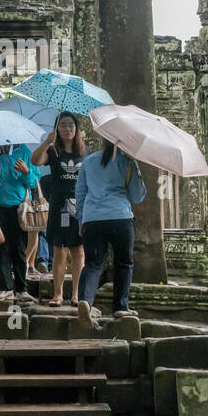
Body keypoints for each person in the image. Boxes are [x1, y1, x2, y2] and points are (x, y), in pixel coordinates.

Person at [74, 139, 146, 328]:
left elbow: (80, 193)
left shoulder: (88, 161)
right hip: (120, 218)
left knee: (93, 264)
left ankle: (86, 301)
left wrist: (81, 220)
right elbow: (137, 196)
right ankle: (121, 306)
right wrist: (134, 167)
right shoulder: (127, 161)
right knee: (123, 263)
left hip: (92, 219)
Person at [31, 111, 87, 308]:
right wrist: (47, 142)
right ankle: (58, 294)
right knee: (59, 251)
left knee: (78, 251)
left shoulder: (83, 152)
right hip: (59, 206)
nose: (67, 129)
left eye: (71, 125)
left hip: (79, 207)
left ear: (76, 128)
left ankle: (77, 294)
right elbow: (35, 161)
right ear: (57, 128)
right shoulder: (53, 151)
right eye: (63, 125)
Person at [0, 142, 39, 306]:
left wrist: (26, 172)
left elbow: (34, 182)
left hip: (19, 207)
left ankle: (21, 288)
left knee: (19, 248)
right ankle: (6, 287)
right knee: (1, 248)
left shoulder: (25, 152)